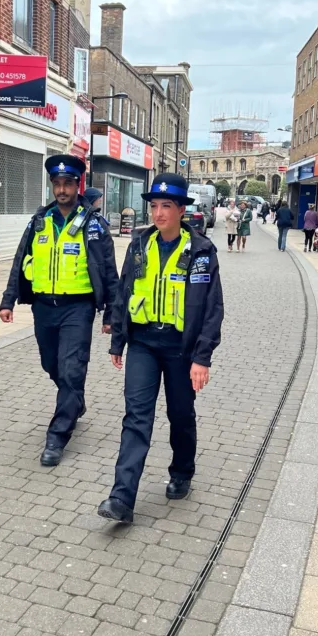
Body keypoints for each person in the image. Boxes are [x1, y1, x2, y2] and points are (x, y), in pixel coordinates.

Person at [97, 173, 224, 524]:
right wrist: (118, 339)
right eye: (154, 206)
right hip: (144, 344)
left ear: (182, 209)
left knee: (180, 416)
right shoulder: (139, 244)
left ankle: (182, 471)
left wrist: (202, 357)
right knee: (136, 417)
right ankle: (121, 498)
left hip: (181, 349)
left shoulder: (200, 251)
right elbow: (123, 292)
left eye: (166, 206)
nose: (158, 213)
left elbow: (212, 308)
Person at [0, 155, 118, 467]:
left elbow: (109, 272)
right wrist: (8, 300)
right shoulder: (39, 221)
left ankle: (58, 435)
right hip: (43, 307)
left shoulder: (93, 225)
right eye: (57, 183)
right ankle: (74, 399)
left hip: (78, 307)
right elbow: (19, 261)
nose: (62, 189)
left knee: (71, 368)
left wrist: (111, 315)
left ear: (78, 186)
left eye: (68, 183)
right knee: (50, 363)